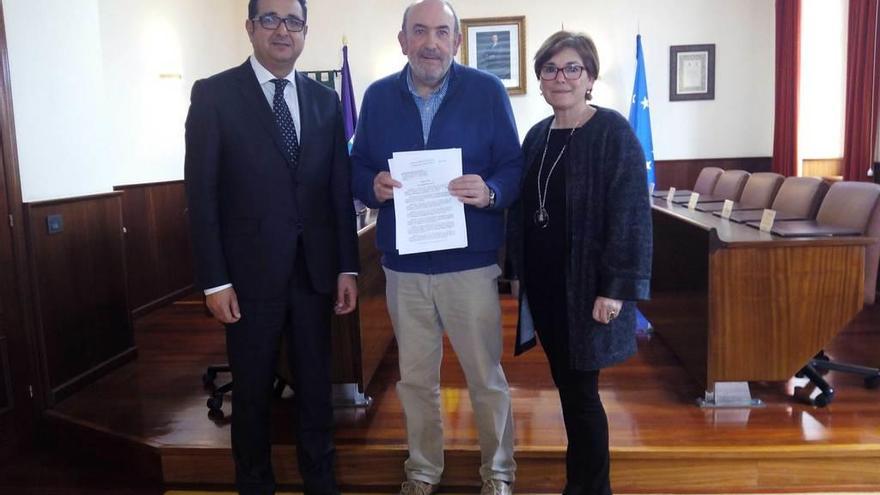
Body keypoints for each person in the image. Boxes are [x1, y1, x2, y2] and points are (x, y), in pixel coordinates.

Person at [184, 0, 359, 493]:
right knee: (254, 392)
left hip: (314, 275)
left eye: (294, 21)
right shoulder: (215, 96)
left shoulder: (325, 102)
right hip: (246, 279)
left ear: (305, 32)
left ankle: (319, 481)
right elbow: (201, 197)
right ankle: (256, 484)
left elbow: (336, 194)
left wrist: (348, 267)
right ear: (250, 27)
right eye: (271, 19)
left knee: (315, 394)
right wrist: (214, 281)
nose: (283, 30)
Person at [350, 1, 522, 494]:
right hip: (404, 268)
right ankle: (423, 471)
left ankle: (499, 473)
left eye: (441, 32)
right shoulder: (379, 96)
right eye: (419, 32)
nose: (431, 42)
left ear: (457, 41)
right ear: (401, 40)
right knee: (415, 381)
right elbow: (356, 164)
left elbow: (512, 166)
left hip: (470, 265)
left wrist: (489, 191)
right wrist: (372, 185)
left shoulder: (486, 92)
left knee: (485, 379)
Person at [507, 31, 652, 495]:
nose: (561, 78)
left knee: (582, 395)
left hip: (589, 291)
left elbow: (630, 215)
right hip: (547, 290)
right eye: (550, 69)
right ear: (541, 80)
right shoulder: (536, 136)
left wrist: (615, 288)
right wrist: (515, 272)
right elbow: (524, 211)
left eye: (572, 68)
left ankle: (591, 488)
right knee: (571, 391)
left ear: (589, 77)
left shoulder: (612, 132)